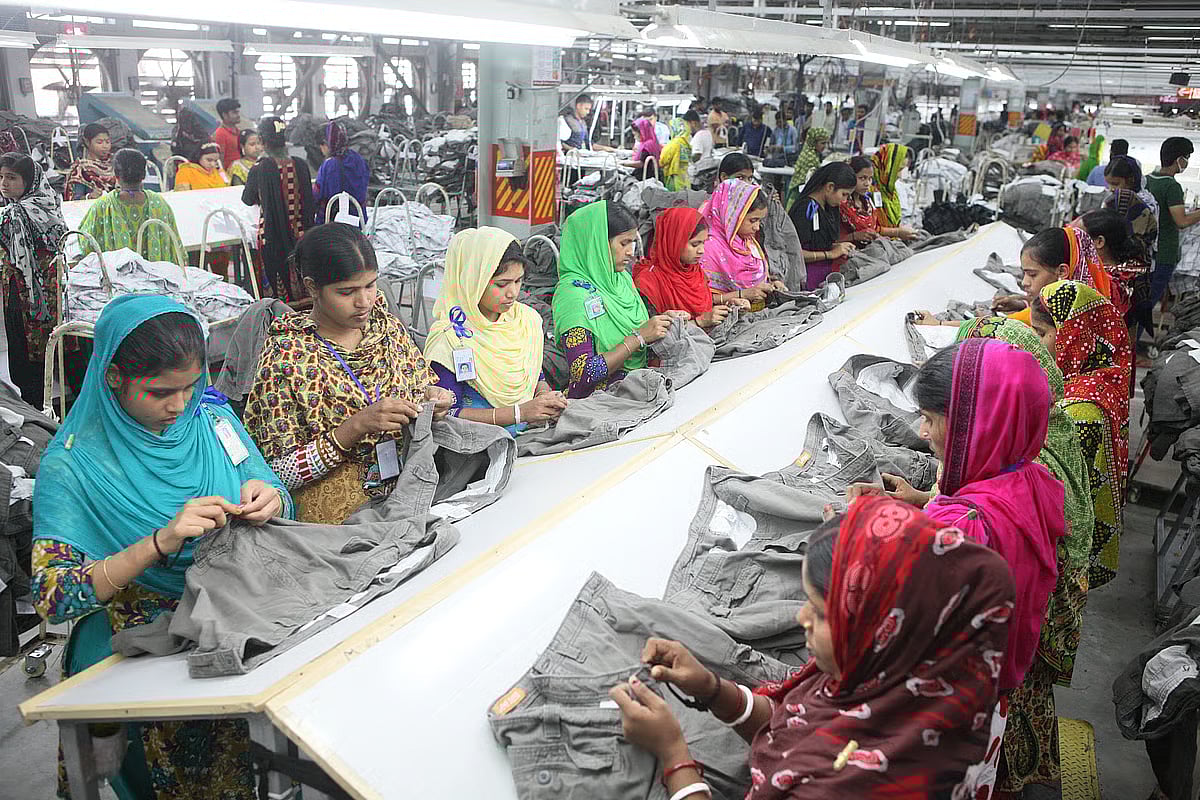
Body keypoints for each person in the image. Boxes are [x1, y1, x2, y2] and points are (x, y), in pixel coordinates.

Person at [32, 294, 291, 799]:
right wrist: (159, 542)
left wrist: (271, 499)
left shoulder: (211, 420)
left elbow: (269, 484)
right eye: (159, 392)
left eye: (191, 385)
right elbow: (54, 598)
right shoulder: (73, 465)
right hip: (139, 634)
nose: (178, 404)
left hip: (237, 606)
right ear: (112, 378)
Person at [608, 496, 1016, 800]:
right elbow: (800, 722)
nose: (801, 617)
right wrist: (713, 690)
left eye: (820, 612)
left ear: (881, 631)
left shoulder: (854, 783)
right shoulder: (922, 677)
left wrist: (673, 754)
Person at [862, 339, 1064, 697]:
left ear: (978, 424)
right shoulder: (1029, 479)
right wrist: (925, 503)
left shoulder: (964, 527)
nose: (922, 433)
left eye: (929, 419)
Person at [955, 317, 1094, 795]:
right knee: (1025, 704)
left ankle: (1012, 781)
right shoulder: (1039, 435)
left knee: (1011, 717)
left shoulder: (992, 501)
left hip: (1022, 637)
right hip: (1041, 613)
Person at [244, 224, 452, 525]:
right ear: (313, 287)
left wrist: (438, 400)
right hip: (339, 519)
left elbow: (422, 386)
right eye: (347, 292)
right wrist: (354, 428)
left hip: (412, 491)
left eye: (370, 285)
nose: (364, 301)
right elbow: (276, 475)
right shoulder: (288, 357)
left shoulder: (386, 329)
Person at [1031, 281, 1132, 588]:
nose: (1034, 344)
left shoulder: (1078, 412)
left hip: (1060, 561)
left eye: (1040, 334)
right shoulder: (1103, 379)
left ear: (1073, 334)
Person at [423, 227, 566, 432]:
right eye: (502, 284)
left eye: (518, 281)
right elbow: (447, 413)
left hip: (529, 431)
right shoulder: (452, 337)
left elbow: (535, 375)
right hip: (480, 448)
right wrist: (519, 413)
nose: (513, 293)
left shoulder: (526, 320)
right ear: (475, 281)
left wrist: (544, 396)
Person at [551, 201, 675, 399]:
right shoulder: (574, 295)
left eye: (632, 242)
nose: (630, 252)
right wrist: (637, 339)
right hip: (601, 400)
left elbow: (642, 329)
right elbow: (584, 374)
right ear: (596, 243)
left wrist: (664, 323)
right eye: (623, 243)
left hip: (638, 385)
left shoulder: (620, 278)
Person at [0, 152, 67, 406]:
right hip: (51, 291)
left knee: (25, 355)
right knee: (46, 350)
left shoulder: (15, 214)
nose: (4, 183)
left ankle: (35, 410)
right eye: (1, 177)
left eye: (12, 177)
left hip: (25, 293)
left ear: (29, 181)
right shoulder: (49, 201)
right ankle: (46, 403)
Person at [634, 207, 748, 328]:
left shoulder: (695, 271)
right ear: (674, 241)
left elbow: (704, 309)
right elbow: (652, 332)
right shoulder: (648, 282)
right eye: (695, 244)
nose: (701, 251)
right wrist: (700, 322)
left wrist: (729, 308)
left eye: (703, 242)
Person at [241, 116, 314, 301]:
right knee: (304, 284)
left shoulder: (260, 168)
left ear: (263, 141)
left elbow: (247, 199)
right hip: (302, 237)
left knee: (278, 291)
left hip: (273, 240)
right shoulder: (300, 164)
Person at [79, 148, 184, 265]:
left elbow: (85, 243)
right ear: (143, 175)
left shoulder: (104, 205)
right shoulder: (159, 204)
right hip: (156, 277)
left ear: (116, 176)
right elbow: (175, 246)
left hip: (119, 279)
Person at [996, 226, 1113, 325]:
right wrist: (1022, 304)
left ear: (1062, 271)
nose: (1024, 282)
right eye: (1024, 273)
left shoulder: (1063, 317)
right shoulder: (1079, 301)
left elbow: (1002, 328)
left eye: (1032, 274)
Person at [699, 179, 785, 305]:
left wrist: (771, 285)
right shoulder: (708, 248)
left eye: (759, 221)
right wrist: (742, 295)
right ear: (732, 216)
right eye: (752, 220)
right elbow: (701, 301)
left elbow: (755, 283)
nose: (757, 227)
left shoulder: (746, 241)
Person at [1146, 136, 1200, 309]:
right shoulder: (1171, 186)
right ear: (1179, 159)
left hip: (1146, 251)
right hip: (1163, 252)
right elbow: (1181, 220)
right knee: (1148, 303)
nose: (1187, 162)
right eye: (1187, 158)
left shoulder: (1147, 180)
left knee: (1140, 302)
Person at [790, 162, 857, 288]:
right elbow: (794, 253)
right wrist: (830, 254)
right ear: (830, 187)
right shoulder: (805, 210)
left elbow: (817, 244)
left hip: (825, 274)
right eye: (844, 194)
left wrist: (838, 247)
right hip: (808, 280)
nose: (845, 201)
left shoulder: (827, 208)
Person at [839, 155, 915, 244]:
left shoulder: (867, 201)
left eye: (870, 178)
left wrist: (898, 232)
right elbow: (830, 241)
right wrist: (854, 236)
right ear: (850, 176)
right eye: (862, 178)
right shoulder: (840, 204)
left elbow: (875, 229)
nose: (867, 183)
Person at [314, 120, 370, 226]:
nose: (321, 150)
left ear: (327, 144)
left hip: (333, 224)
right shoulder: (358, 158)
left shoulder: (329, 165)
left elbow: (317, 195)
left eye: (321, 146)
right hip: (358, 221)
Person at [64, 123, 116, 201]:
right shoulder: (81, 169)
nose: (105, 146)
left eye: (107, 142)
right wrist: (89, 196)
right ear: (87, 142)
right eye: (99, 142)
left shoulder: (115, 163)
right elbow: (73, 199)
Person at [782, 127, 829, 211]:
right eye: (822, 143)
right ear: (814, 142)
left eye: (826, 143)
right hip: (800, 193)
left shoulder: (807, 152)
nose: (824, 146)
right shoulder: (811, 158)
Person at [659, 110, 701, 191]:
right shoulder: (686, 144)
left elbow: (662, 161)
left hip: (674, 179)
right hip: (685, 179)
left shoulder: (674, 143)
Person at [872, 142, 909, 229]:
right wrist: (897, 233)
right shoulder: (868, 191)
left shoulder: (890, 191)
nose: (899, 175)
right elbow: (869, 229)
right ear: (887, 167)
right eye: (898, 169)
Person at [213, 97, 242, 171]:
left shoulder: (239, 132)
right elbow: (219, 160)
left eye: (238, 112)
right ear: (225, 115)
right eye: (234, 113)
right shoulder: (220, 134)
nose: (238, 115)